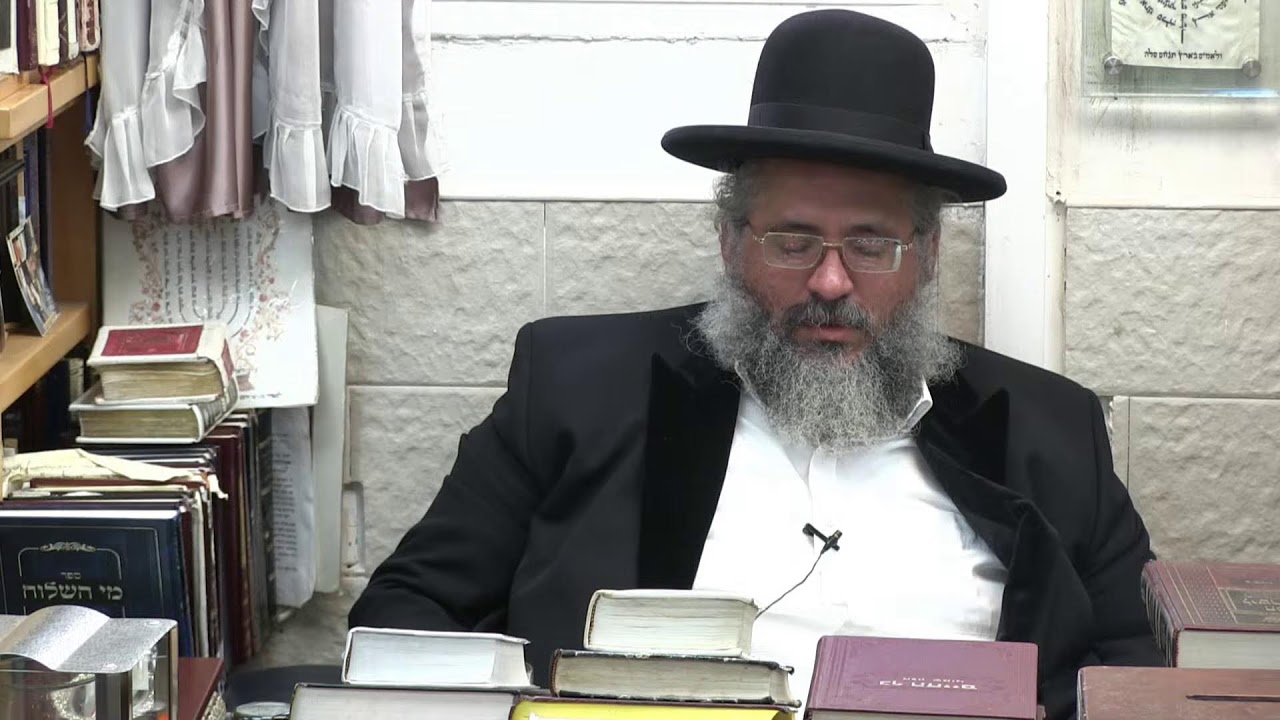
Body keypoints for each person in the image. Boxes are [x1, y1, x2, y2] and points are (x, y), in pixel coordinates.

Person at [348, 9, 1162, 719]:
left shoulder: (1051, 430)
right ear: (731, 242)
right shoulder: (576, 386)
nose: (831, 282)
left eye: (871, 244)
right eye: (793, 241)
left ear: (927, 255)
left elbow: (1141, 665)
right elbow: (403, 618)